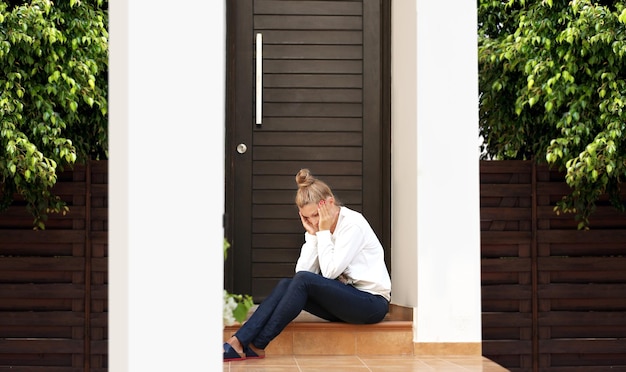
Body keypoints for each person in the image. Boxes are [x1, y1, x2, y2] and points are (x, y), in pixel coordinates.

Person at [223, 168, 392, 361]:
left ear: (329, 203)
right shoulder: (319, 229)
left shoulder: (352, 225)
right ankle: (238, 340)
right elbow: (301, 274)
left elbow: (328, 274)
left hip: (371, 304)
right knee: (287, 284)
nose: (313, 221)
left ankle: (257, 344)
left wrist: (322, 232)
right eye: (307, 218)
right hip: (345, 303)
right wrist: (312, 236)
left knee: (302, 281)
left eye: (316, 215)